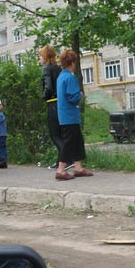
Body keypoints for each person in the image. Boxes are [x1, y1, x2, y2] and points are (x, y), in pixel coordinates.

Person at [55, 49, 93, 181]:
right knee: (69, 142)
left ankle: (78, 168)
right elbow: (72, 97)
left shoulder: (61, 77)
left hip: (64, 115)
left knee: (77, 141)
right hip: (70, 115)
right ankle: (60, 170)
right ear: (72, 62)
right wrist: (81, 95)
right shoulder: (70, 77)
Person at [39, 45, 64, 169]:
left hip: (52, 103)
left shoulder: (47, 69)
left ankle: (66, 159)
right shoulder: (59, 69)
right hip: (61, 104)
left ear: (45, 57)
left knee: (54, 135)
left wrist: (43, 96)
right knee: (61, 134)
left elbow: (48, 87)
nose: (39, 58)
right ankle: (61, 162)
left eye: (40, 56)